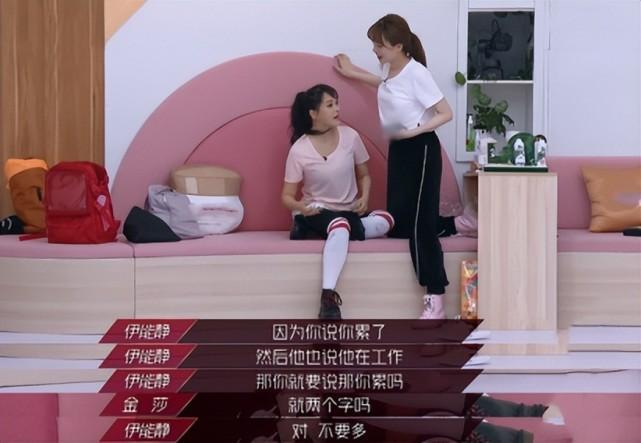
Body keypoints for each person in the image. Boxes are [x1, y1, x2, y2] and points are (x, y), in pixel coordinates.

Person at [335, 14, 476, 319]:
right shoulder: (389, 68)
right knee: (399, 223)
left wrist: (414, 131)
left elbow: (445, 112)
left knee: (419, 227)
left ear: (398, 46)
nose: (375, 50)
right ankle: (459, 224)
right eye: (374, 44)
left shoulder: (418, 73)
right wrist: (352, 72)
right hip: (399, 149)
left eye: (380, 45)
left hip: (420, 148)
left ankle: (435, 297)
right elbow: (387, 85)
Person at [281, 84, 395, 320]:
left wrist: (364, 197)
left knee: (387, 220)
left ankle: (310, 228)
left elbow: (364, 175)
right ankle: (328, 298)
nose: (337, 109)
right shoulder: (300, 150)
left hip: (347, 211)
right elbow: (287, 197)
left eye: (337, 103)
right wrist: (301, 208)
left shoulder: (351, 137)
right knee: (341, 226)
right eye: (330, 105)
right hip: (317, 210)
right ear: (313, 113)